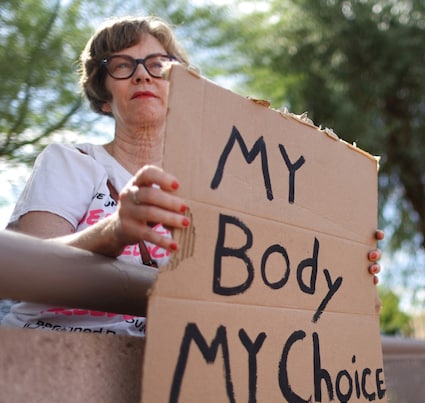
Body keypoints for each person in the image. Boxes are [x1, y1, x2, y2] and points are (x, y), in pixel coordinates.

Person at [0, 16, 384, 336]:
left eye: (159, 65)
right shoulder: (71, 162)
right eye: (122, 65)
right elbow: (26, 268)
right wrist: (114, 231)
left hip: (176, 376)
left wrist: (338, 278)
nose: (142, 76)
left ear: (180, 87)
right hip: (54, 359)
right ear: (103, 95)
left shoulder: (220, 190)